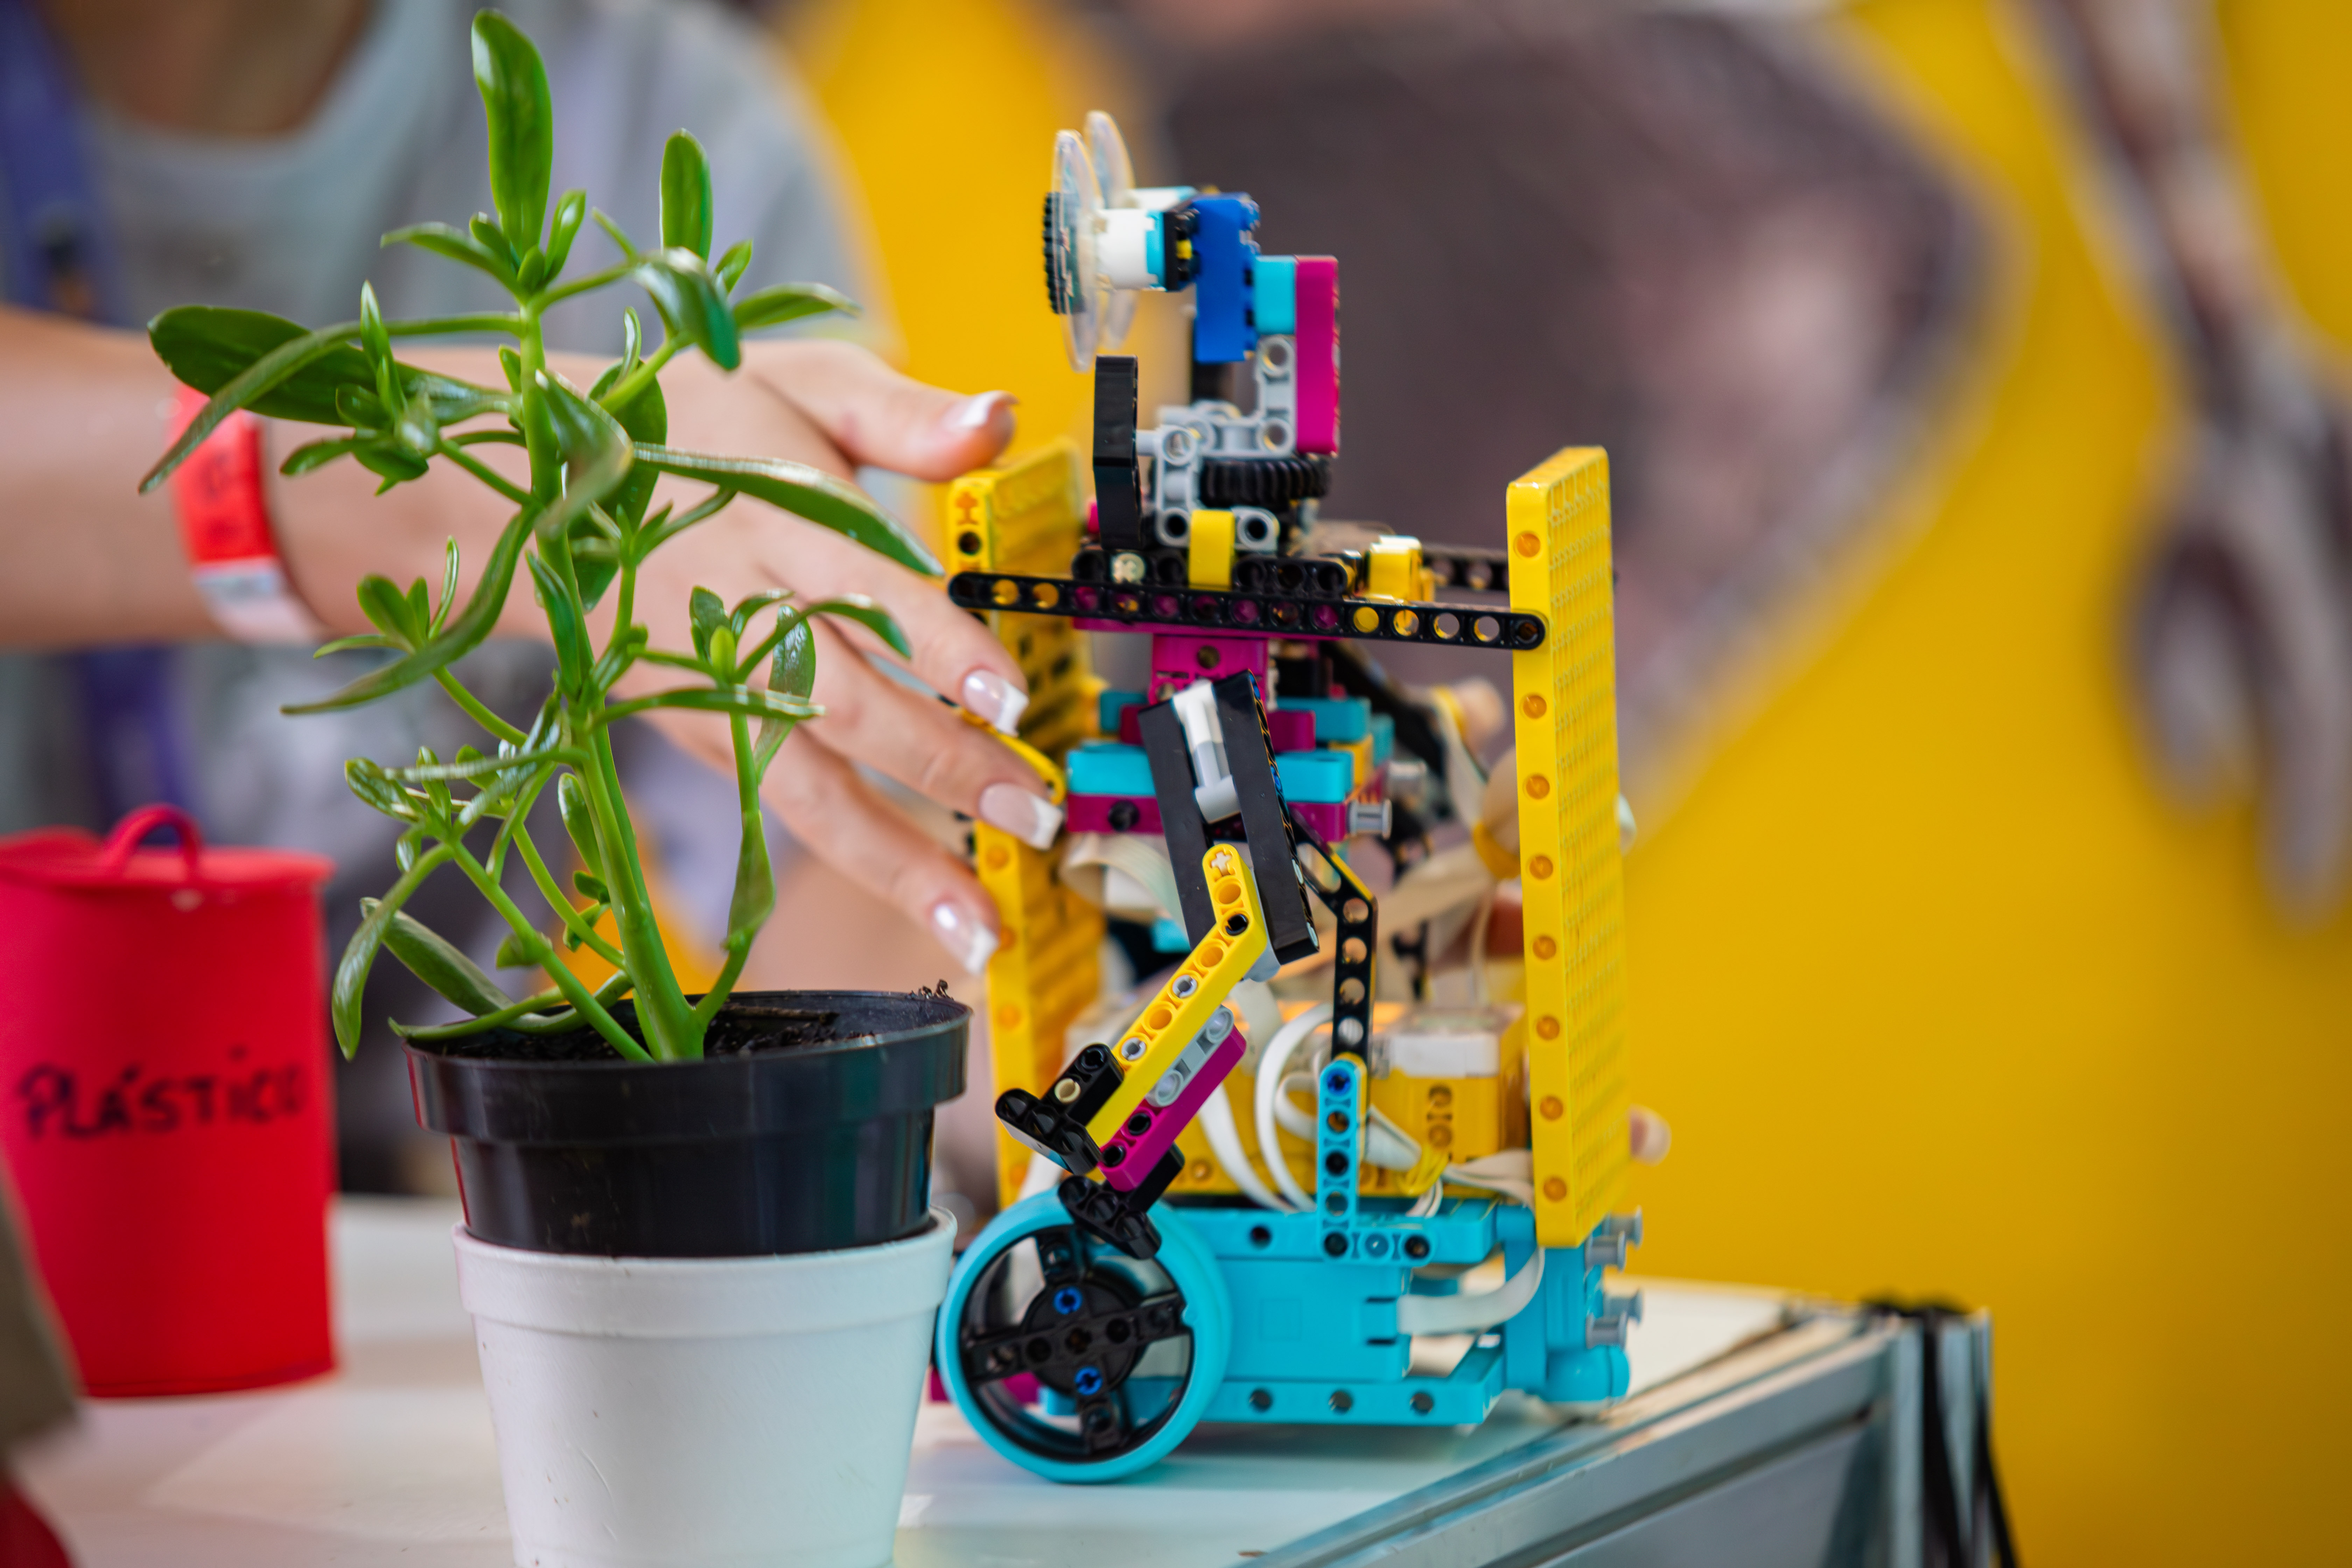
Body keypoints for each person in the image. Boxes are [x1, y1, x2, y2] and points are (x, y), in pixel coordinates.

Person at [0, 0, 1059, 985]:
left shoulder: (672, 112)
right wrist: (503, 472)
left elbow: (841, 875)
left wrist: (1088, 1037)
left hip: (414, 1128)